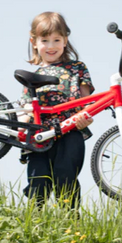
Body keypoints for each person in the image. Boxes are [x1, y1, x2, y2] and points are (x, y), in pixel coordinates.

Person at [19, 11, 95, 210]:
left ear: (65, 40)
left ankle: (70, 225)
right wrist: (21, 122)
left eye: (56, 40)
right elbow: (27, 106)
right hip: (41, 137)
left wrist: (86, 117)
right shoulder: (32, 76)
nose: (51, 46)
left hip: (70, 132)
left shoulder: (77, 68)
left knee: (66, 177)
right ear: (34, 42)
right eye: (45, 40)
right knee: (38, 181)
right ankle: (35, 225)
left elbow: (87, 101)